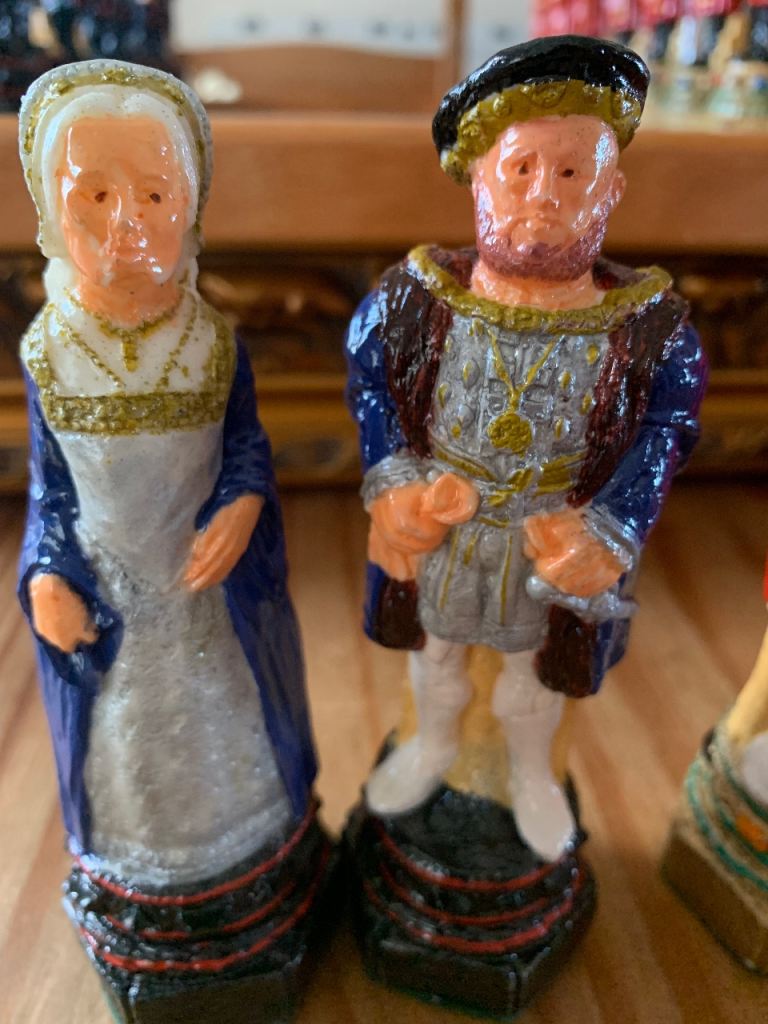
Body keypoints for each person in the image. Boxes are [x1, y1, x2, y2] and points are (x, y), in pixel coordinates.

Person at [346, 35, 708, 862]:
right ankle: (432, 744)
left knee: (532, 672)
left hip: (551, 536)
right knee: (436, 651)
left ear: (612, 189)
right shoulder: (412, 303)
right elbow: (371, 383)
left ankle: (530, 772)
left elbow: (668, 430)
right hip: (447, 528)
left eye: (573, 172)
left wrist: (614, 526)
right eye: (520, 170)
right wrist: (392, 475)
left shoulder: (649, 334)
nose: (544, 195)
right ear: (479, 177)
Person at [17, 59, 325, 1022]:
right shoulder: (47, 353)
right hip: (118, 608)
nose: (127, 222)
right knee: (132, 756)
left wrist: (240, 506)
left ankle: (252, 869)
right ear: (48, 213)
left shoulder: (214, 343)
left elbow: (247, 450)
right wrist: (45, 575)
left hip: (205, 604)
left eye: (154, 195)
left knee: (227, 728)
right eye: (94, 196)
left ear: (192, 208)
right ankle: (148, 895)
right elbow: (49, 493)